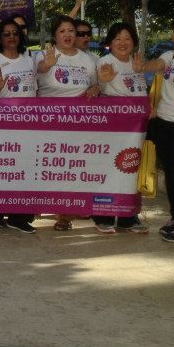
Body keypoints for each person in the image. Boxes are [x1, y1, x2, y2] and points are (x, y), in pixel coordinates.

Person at [36, 14, 99, 232]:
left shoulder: (87, 60)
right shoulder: (44, 55)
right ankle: (37, 205)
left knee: (71, 169)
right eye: (62, 31)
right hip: (48, 122)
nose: (68, 35)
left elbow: (95, 85)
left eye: (71, 31)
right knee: (49, 169)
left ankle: (65, 215)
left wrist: (96, 89)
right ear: (55, 35)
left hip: (78, 124)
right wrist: (47, 64)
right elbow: (37, 74)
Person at [92, 22, 149, 234]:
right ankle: (103, 214)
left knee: (130, 170)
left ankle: (127, 216)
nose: (123, 43)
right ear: (110, 43)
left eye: (127, 38)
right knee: (109, 169)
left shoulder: (137, 62)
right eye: (117, 39)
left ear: (134, 42)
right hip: (113, 126)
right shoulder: (106, 62)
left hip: (136, 129)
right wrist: (102, 79)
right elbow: (101, 83)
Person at [0, 17, 37, 233]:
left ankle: (19, 216)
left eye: (15, 32)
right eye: (6, 33)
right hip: (3, 124)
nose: (12, 36)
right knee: (4, 170)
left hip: (29, 124)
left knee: (24, 170)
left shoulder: (28, 59)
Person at [142, 16, 174, 242]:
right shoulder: (170, 56)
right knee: (171, 174)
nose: (172, 36)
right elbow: (156, 66)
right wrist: (139, 65)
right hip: (163, 122)